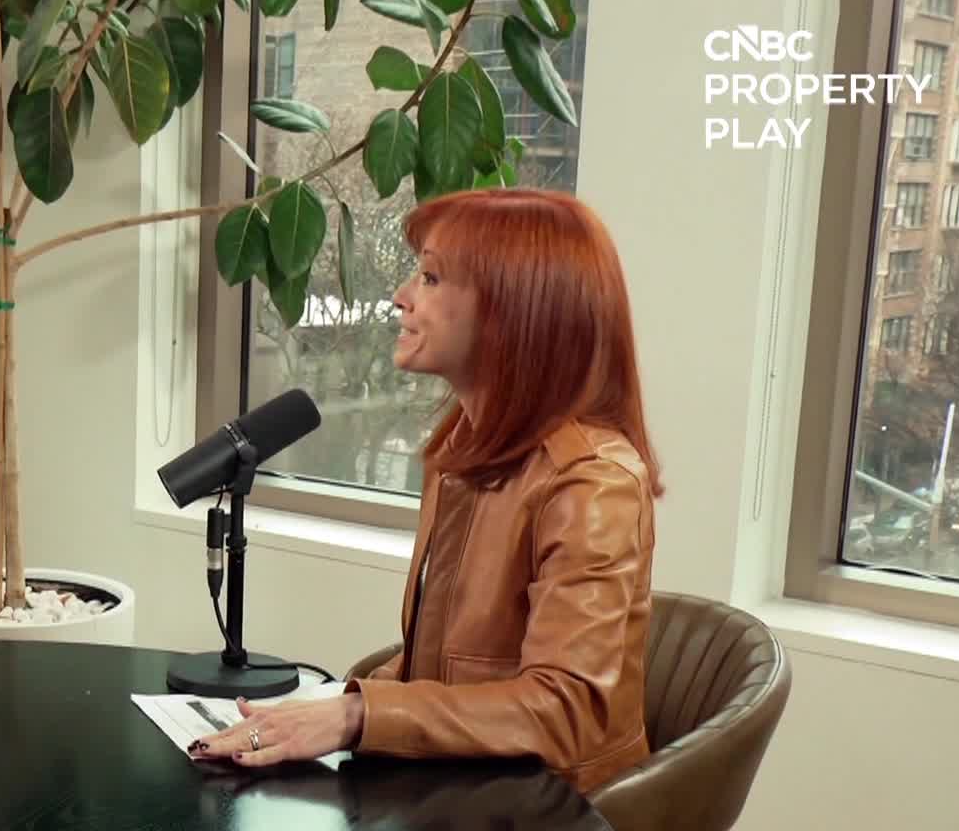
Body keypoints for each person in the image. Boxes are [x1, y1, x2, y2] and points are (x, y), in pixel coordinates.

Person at [190, 188, 661, 794]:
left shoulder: (592, 480)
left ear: (513, 311)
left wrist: (357, 715)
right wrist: (329, 708)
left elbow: (565, 712)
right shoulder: (461, 450)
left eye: (431, 278)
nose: (401, 296)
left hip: (553, 819)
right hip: (463, 788)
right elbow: (446, 668)